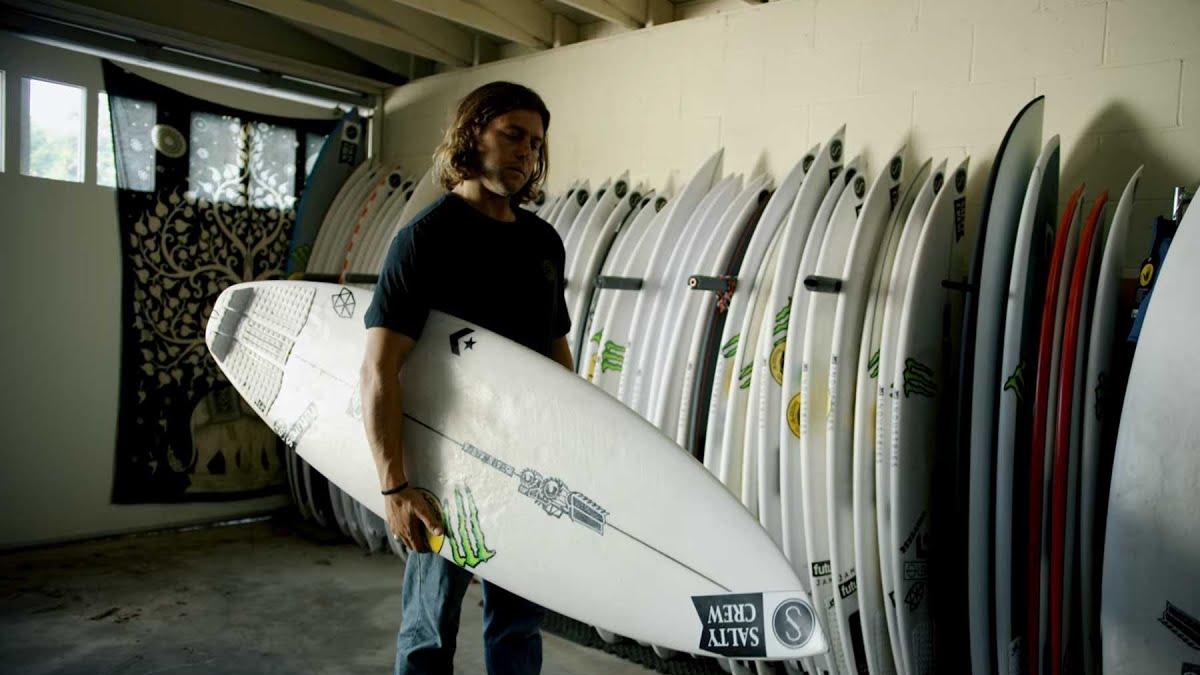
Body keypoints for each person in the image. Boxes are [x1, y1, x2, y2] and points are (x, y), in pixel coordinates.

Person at [359, 81, 573, 675]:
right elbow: (379, 369)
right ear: (472, 133)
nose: (526, 152)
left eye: (535, 142)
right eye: (513, 135)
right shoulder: (426, 239)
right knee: (429, 629)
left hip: (524, 464)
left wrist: (566, 452)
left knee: (518, 629)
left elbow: (555, 351)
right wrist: (394, 486)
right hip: (443, 470)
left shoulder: (542, 242)